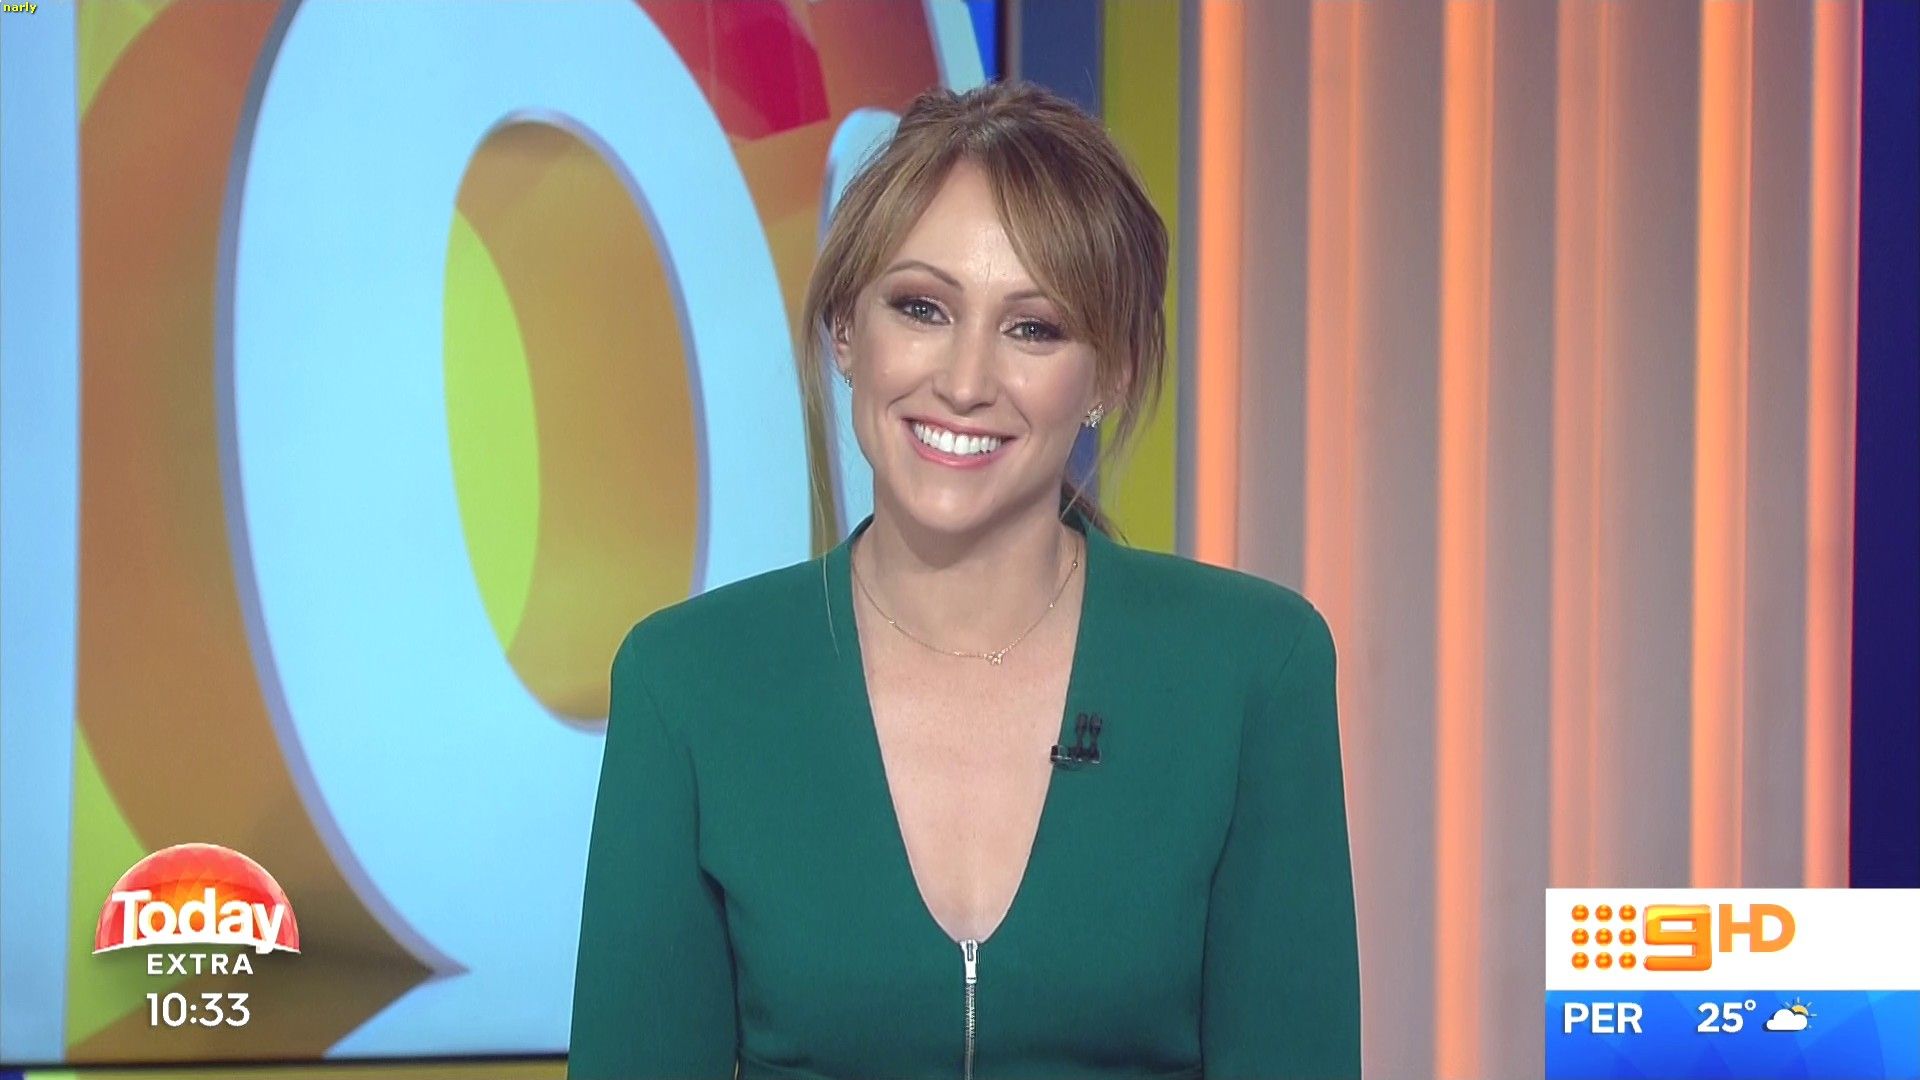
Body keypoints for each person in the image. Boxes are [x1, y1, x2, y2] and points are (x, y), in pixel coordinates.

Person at [568, 79, 1360, 1080]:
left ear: (1112, 373)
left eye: (1033, 328)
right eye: (923, 309)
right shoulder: (688, 684)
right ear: (847, 331)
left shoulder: (1251, 670)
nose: (965, 381)